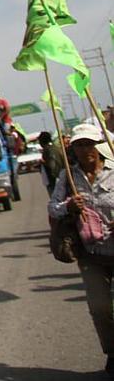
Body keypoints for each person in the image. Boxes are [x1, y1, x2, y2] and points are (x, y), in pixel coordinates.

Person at [48, 123, 114, 373]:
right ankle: (112, 351)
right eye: (79, 145)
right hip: (91, 255)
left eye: (89, 144)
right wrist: (68, 206)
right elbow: (53, 207)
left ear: (99, 146)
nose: (85, 149)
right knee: (100, 308)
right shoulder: (67, 177)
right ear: (72, 149)